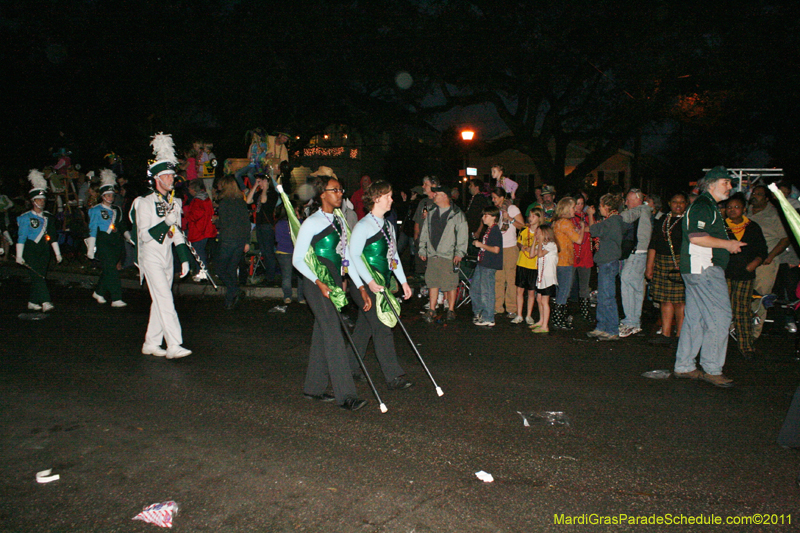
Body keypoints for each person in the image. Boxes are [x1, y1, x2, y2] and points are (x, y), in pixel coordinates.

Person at [292, 169, 370, 411]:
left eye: (340, 190)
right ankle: (345, 395)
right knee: (334, 335)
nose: (340, 194)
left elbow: (346, 257)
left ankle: (313, 387)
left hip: (334, 285)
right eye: (334, 190)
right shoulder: (312, 222)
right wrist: (319, 282)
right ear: (322, 195)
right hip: (317, 286)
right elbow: (297, 259)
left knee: (322, 333)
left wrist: (360, 286)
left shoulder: (338, 221)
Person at [673, 166, 745, 388]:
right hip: (705, 268)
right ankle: (712, 368)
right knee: (720, 316)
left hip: (697, 269)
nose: (730, 187)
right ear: (711, 184)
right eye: (726, 182)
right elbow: (696, 237)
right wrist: (728, 244)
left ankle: (684, 365)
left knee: (697, 318)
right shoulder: (704, 206)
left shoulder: (707, 205)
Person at [130, 133, 192, 359]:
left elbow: (176, 234)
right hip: (151, 256)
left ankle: (151, 343)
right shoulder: (143, 203)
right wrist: (165, 223)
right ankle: (174, 344)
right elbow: (144, 236)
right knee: (165, 299)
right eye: (166, 175)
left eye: (171, 175)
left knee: (159, 300)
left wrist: (184, 258)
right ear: (157, 178)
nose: (171, 179)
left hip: (166, 256)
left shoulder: (174, 202)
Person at [348, 180, 414, 390]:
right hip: (363, 285)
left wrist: (403, 281)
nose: (391, 200)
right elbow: (354, 256)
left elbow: (393, 256)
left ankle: (349, 366)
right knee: (382, 326)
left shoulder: (387, 225)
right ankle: (393, 376)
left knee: (364, 328)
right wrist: (369, 281)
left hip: (381, 284)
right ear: (377, 199)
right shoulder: (363, 225)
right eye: (388, 196)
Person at [724, 193, 768, 359]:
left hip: (744, 275)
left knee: (742, 310)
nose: (732, 210)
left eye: (736, 207)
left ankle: (746, 346)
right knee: (722, 310)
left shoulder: (752, 227)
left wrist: (754, 263)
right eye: (729, 207)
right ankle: (718, 345)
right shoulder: (721, 226)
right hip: (724, 274)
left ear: (743, 209)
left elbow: (762, 250)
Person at [418, 184, 469, 322]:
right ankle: (432, 309)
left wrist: (459, 252)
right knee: (432, 282)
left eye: (437, 194)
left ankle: (451, 310)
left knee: (450, 283)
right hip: (433, 254)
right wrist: (422, 248)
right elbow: (425, 232)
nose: (434, 196)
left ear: (445, 196)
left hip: (448, 255)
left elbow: (463, 235)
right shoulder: (431, 212)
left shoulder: (457, 214)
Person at [645, 193, 688, 345]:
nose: (678, 205)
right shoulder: (662, 220)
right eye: (675, 202)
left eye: (682, 202)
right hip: (662, 261)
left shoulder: (689, 221)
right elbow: (653, 243)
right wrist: (649, 266)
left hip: (680, 262)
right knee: (664, 299)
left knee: (680, 301)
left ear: (686, 204)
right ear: (669, 203)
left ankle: (681, 335)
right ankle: (666, 333)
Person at [16, 170, 61, 311]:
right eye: (38, 200)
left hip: (44, 250)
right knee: (37, 276)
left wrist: (58, 253)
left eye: (43, 200)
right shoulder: (25, 217)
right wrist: (19, 255)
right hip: (30, 249)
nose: (41, 202)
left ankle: (32, 301)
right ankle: (45, 302)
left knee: (40, 276)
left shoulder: (48, 217)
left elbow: (53, 236)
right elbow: (22, 237)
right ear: (32, 201)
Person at [86, 169, 132, 307]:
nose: (110, 197)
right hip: (103, 242)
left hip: (116, 243)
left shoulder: (117, 210)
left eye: (112, 195)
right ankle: (116, 298)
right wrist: (90, 249)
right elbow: (92, 229)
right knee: (112, 270)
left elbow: (122, 225)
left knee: (109, 269)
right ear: (102, 196)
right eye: (107, 195)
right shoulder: (95, 210)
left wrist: (128, 237)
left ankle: (99, 292)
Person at [587, 193, 626, 341]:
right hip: (605, 262)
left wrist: (590, 216)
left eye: (600, 206)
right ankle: (602, 326)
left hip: (609, 262)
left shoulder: (613, 221)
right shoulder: (611, 220)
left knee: (607, 296)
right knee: (602, 296)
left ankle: (612, 329)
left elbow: (594, 230)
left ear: (607, 207)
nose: (598, 209)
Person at [618, 189, 654, 338]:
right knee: (637, 288)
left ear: (637, 199)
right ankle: (634, 322)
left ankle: (630, 322)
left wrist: (611, 218)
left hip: (637, 253)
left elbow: (623, 217)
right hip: (640, 253)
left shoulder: (641, 210)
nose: (626, 203)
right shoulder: (644, 211)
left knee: (627, 283)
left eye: (628, 200)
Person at [214, 177, 251, 310]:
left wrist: (215, 221)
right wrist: (247, 241)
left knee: (220, 269)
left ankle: (234, 290)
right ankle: (230, 299)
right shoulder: (241, 202)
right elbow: (246, 222)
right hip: (240, 240)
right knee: (231, 268)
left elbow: (224, 223)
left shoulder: (224, 203)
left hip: (228, 239)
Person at [552, 197, 586, 329]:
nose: (575, 209)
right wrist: (582, 228)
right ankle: (559, 320)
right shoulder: (565, 222)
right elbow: (578, 240)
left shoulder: (557, 222)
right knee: (564, 291)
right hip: (565, 261)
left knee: (560, 289)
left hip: (558, 260)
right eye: (572, 207)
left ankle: (558, 318)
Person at [490, 188, 524, 318]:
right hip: (498, 248)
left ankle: (511, 308)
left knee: (511, 279)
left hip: (510, 248)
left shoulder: (512, 209)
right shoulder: (496, 211)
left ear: (502, 197)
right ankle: (498, 307)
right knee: (498, 279)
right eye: (492, 198)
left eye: (495, 198)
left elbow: (522, 225)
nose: (493, 200)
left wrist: (510, 219)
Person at [472, 205, 503, 327]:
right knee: (475, 289)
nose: (483, 218)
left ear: (494, 217)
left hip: (489, 265)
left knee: (487, 291)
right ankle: (479, 312)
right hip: (482, 263)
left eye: (486, 215)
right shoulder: (489, 230)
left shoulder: (495, 230)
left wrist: (480, 245)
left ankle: (489, 317)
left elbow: (496, 249)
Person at [246, 174, 279, 285]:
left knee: (269, 252)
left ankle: (271, 278)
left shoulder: (273, 194)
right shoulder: (258, 193)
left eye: (261, 180)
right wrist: (255, 186)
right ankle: (268, 276)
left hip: (267, 225)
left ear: (267, 181)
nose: (259, 182)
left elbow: (264, 201)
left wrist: (265, 188)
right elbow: (248, 200)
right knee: (264, 251)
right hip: (259, 225)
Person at [183, 180, 217, 281]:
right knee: (200, 251)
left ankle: (202, 273)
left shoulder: (197, 200)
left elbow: (196, 215)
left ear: (193, 190)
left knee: (199, 252)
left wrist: (187, 215)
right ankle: (202, 272)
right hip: (205, 229)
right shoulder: (205, 198)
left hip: (199, 230)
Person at [513, 208, 542, 325]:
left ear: (539, 218)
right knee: (519, 290)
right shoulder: (524, 229)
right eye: (530, 216)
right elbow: (519, 241)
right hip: (522, 263)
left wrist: (534, 249)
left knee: (531, 292)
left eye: (533, 216)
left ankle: (528, 315)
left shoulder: (541, 232)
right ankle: (519, 314)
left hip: (533, 265)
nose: (530, 218)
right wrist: (522, 246)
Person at [274, 203, 305, 305]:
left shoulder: (279, 224)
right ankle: (301, 298)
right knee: (301, 277)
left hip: (283, 252)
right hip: (297, 253)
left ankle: (287, 297)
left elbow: (277, 239)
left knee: (287, 276)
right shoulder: (299, 223)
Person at [572, 195, 595, 321]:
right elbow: (573, 231)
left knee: (584, 286)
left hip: (585, 253)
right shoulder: (569, 217)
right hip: (573, 253)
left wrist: (589, 216)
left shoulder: (586, 216)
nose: (579, 206)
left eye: (581, 203)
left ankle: (585, 312)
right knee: (569, 284)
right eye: (577, 203)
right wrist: (584, 229)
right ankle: (566, 310)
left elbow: (593, 229)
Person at [531, 224, 558, 333]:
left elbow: (540, 254)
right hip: (541, 277)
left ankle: (545, 326)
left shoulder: (551, 245)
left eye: (538, 232)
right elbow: (532, 254)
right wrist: (534, 241)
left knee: (545, 301)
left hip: (548, 278)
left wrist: (540, 242)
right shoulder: (542, 245)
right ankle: (541, 321)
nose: (536, 234)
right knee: (539, 299)